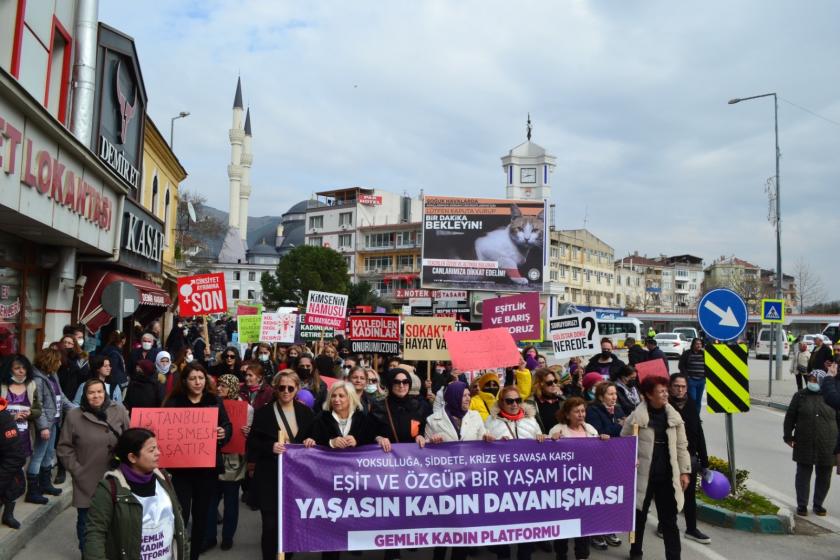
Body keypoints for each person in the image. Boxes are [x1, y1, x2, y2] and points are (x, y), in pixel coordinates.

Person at [84, 428, 189, 559]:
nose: (158, 453)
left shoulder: (164, 479)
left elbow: (178, 520)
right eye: (151, 450)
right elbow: (95, 533)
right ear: (132, 457)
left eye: (157, 448)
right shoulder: (109, 488)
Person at [164, 364, 232, 560]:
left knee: (202, 515)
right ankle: (178, 553)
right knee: (181, 514)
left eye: (200, 378)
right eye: (193, 378)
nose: (197, 382)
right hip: (181, 470)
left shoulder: (214, 401)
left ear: (206, 380)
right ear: (185, 381)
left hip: (206, 469)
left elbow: (226, 426)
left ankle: (194, 555)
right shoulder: (175, 402)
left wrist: (223, 433)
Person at [247, 370, 314, 560]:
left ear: (297, 389)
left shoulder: (306, 413)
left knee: (292, 525)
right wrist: (270, 446)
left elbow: (314, 436)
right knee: (270, 525)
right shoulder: (263, 413)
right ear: (275, 389)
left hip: (296, 479)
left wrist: (310, 440)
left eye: (290, 388)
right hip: (270, 477)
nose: (285, 391)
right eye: (281, 387)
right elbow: (252, 442)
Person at [622, 376, 692, 560]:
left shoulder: (674, 416)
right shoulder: (636, 418)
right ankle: (635, 551)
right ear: (648, 395)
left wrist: (685, 471)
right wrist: (631, 458)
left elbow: (682, 446)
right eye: (661, 392)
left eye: (665, 390)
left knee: (669, 520)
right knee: (640, 516)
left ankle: (674, 556)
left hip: (667, 474)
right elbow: (624, 443)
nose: (665, 394)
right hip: (644, 474)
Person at [57, 378, 130, 552]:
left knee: (115, 521)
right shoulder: (74, 416)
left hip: (116, 477)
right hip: (86, 479)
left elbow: (129, 439)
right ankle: (88, 554)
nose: (96, 396)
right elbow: (64, 447)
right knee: (87, 523)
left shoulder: (118, 410)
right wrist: (77, 470)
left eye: (99, 391)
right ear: (84, 395)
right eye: (91, 392)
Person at [425, 381, 491, 560]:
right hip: (444, 483)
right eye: (464, 395)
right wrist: (432, 443)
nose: (468, 398)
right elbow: (424, 454)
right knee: (444, 528)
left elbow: (480, 443)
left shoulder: (476, 416)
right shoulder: (433, 420)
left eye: (469, 395)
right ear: (453, 397)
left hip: (468, 481)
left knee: (463, 529)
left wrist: (486, 438)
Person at [485, 386, 546, 560]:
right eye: (509, 401)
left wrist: (542, 438)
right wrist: (492, 442)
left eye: (518, 400)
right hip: (501, 482)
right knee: (503, 523)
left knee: (526, 523)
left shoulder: (531, 420)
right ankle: (503, 555)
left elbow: (541, 445)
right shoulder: (490, 421)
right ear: (500, 402)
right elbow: (482, 449)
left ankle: (524, 555)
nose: (514, 404)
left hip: (527, 481)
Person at [549, 396, 608, 558]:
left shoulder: (590, 429)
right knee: (563, 524)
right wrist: (551, 441)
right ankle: (561, 554)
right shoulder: (558, 430)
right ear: (567, 414)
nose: (581, 414)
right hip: (564, 487)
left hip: (585, 487)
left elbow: (600, 456)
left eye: (583, 411)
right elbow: (548, 458)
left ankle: (582, 555)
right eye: (577, 411)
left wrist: (603, 441)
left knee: (584, 524)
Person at [206, 374, 253, 551]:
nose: (219, 389)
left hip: (234, 460)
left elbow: (249, 435)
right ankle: (209, 536)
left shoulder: (245, 409)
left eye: (224, 386)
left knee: (231, 500)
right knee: (211, 499)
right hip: (214, 457)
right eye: (218, 385)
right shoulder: (211, 403)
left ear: (233, 387)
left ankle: (227, 537)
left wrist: (248, 432)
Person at [783, 369, 837, 516]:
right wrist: (788, 436)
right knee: (802, 475)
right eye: (810, 379)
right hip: (804, 441)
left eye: (815, 380)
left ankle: (818, 504)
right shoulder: (800, 396)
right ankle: (802, 505)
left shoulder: (831, 397)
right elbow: (790, 417)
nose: (812, 382)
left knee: (825, 475)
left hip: (828, 443)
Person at [666, 373, 711, 543]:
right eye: (677, 386)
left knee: (689, 495)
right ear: (670, 387)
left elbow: (698, 432)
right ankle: (665, 525)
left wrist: (704, 460)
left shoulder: (691, 404)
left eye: (683, 386)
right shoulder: (664, 405)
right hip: (668, 457)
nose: (680, 389)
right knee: (669, 494)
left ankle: (691, 529)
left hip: (688, 457)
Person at [29, 348, 74, 504]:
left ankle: (45, 484)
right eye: (58, 360)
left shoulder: (52, 375)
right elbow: (37, 404)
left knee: (49, 454)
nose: (60, 363)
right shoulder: (37, 379)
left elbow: (61, 396)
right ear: (50, 361)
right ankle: (32, 492)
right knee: (38, 455)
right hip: (46, 424)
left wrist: (75, 409)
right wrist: (43, 427)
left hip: (54, 421)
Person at [0, 396, 25, 530]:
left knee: (10, 488)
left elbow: (16, 457)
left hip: (5, 475)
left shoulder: (3, 417)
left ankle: (8, 515)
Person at [529, 367, 565, 434]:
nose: (554, 384)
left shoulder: (561, 400)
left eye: (555, 381)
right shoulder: (532, 403)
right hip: (543, 441)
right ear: (540, 384)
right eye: (549, 383)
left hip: (561, 440)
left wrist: (562, 397)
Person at [678, 338, 707, 415]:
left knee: (698, 400)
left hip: (701, 381)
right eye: (697, 344)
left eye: (700, 344)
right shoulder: (687, 354)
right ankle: (691, 416)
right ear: (693, 345)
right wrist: (686, 376)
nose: (699, 345)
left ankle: (697, 417)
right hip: (691, 381)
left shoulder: (704, 354)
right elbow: (681, 366)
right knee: (692, 399)